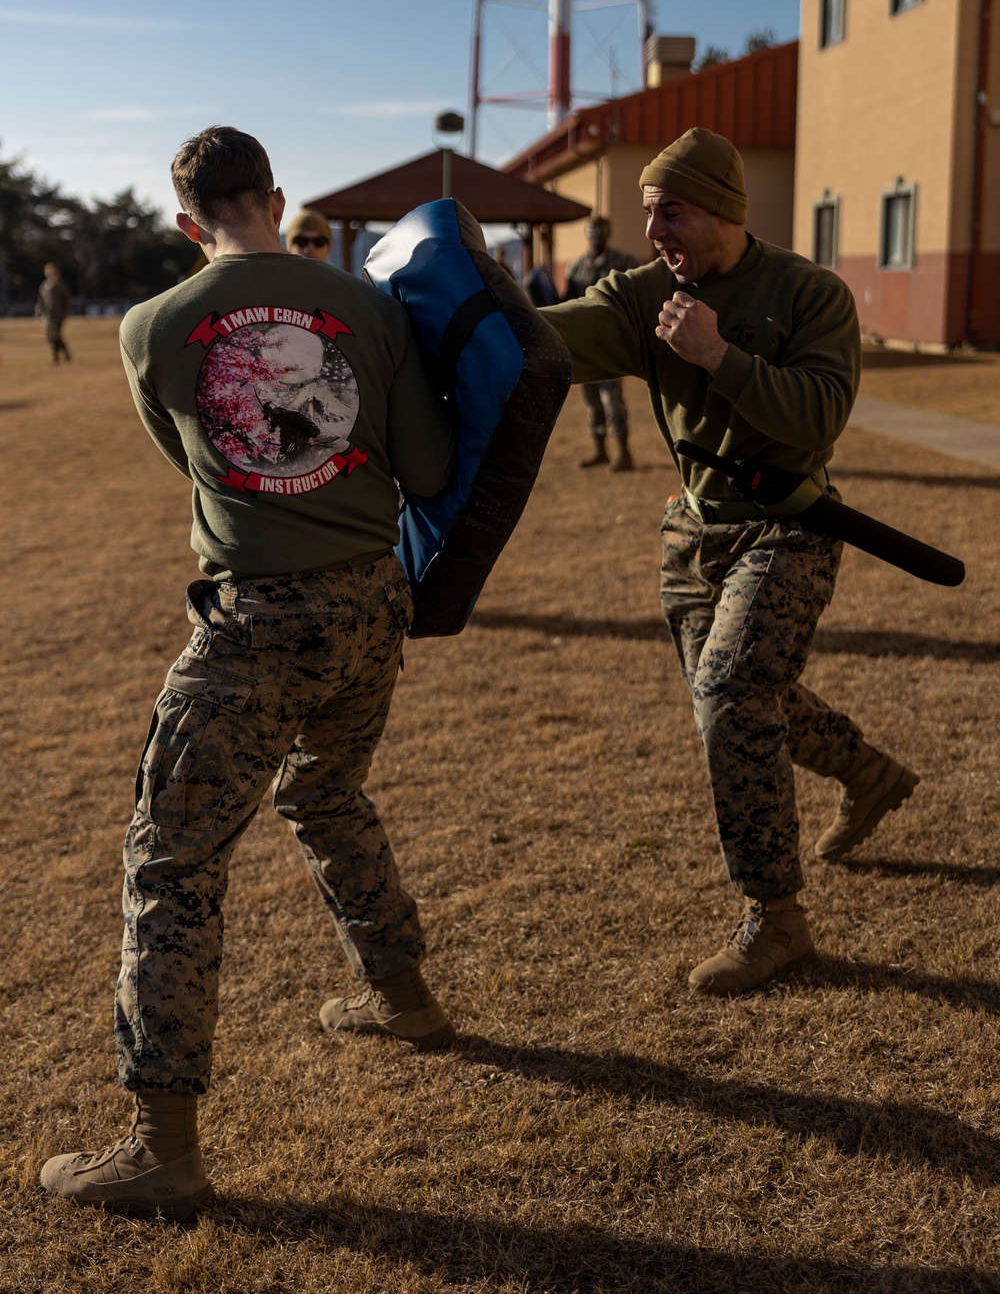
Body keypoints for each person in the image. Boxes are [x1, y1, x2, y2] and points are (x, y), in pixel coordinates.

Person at [40, 126, 457, 1219]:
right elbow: (427, 465)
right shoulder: (366, 309)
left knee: (171, 866)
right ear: (277, 197)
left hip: (256, 620)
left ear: (187, 224)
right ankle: (402, 997)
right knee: (324, 791)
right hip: (372, 603)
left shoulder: (152, 326)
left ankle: (160, 1150)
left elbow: (192, 457)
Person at [540, 127, 918, 997]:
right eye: (646, 213)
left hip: (787, 525)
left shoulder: (808, 293)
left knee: (730, 695)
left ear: (722, 209)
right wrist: (452, 312)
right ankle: (869, 773)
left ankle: (776, 920)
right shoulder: (643, 297)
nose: (654, 230)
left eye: (670, 210)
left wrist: (718, 354)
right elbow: (545, 342)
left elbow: (818, 419)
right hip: (692, 537)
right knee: (751, 697)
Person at [563, 217, 636, 471]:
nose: (596, 236)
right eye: (592, 231)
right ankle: (600, 450)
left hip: (610, 343)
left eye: (601, 231)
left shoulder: (624, 262)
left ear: (608, 233)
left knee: (611, 398)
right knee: (591, 400)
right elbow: (567, 303)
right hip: (584, 344)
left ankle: (623, 452)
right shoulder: (575, 267)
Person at [36, 261, 72, 362]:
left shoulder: (61, 287)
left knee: (55, 335)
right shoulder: (44, 287)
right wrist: (39, 311)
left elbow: (67, 302)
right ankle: (65, 351)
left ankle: (55, 356)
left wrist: (65, 314)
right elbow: (41, 300)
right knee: (49, 336)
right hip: (48, 315)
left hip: (58, 315)